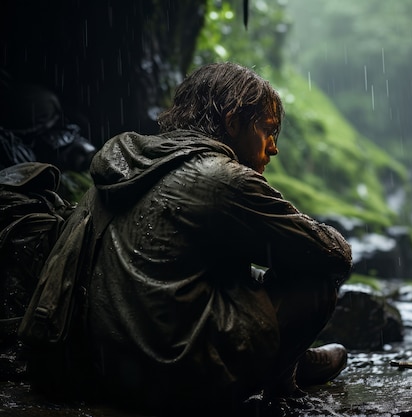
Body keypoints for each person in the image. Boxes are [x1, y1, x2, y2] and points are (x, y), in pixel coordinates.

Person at [22, 62, 353, 414]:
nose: (273, 149)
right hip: (178, 380)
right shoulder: (223, 178)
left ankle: (290, 361)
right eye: (268, 131)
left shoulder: (119, 170)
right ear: (233, 120)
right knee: (316, 277)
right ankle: (283, 378)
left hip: (94, 372)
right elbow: (333, 254)